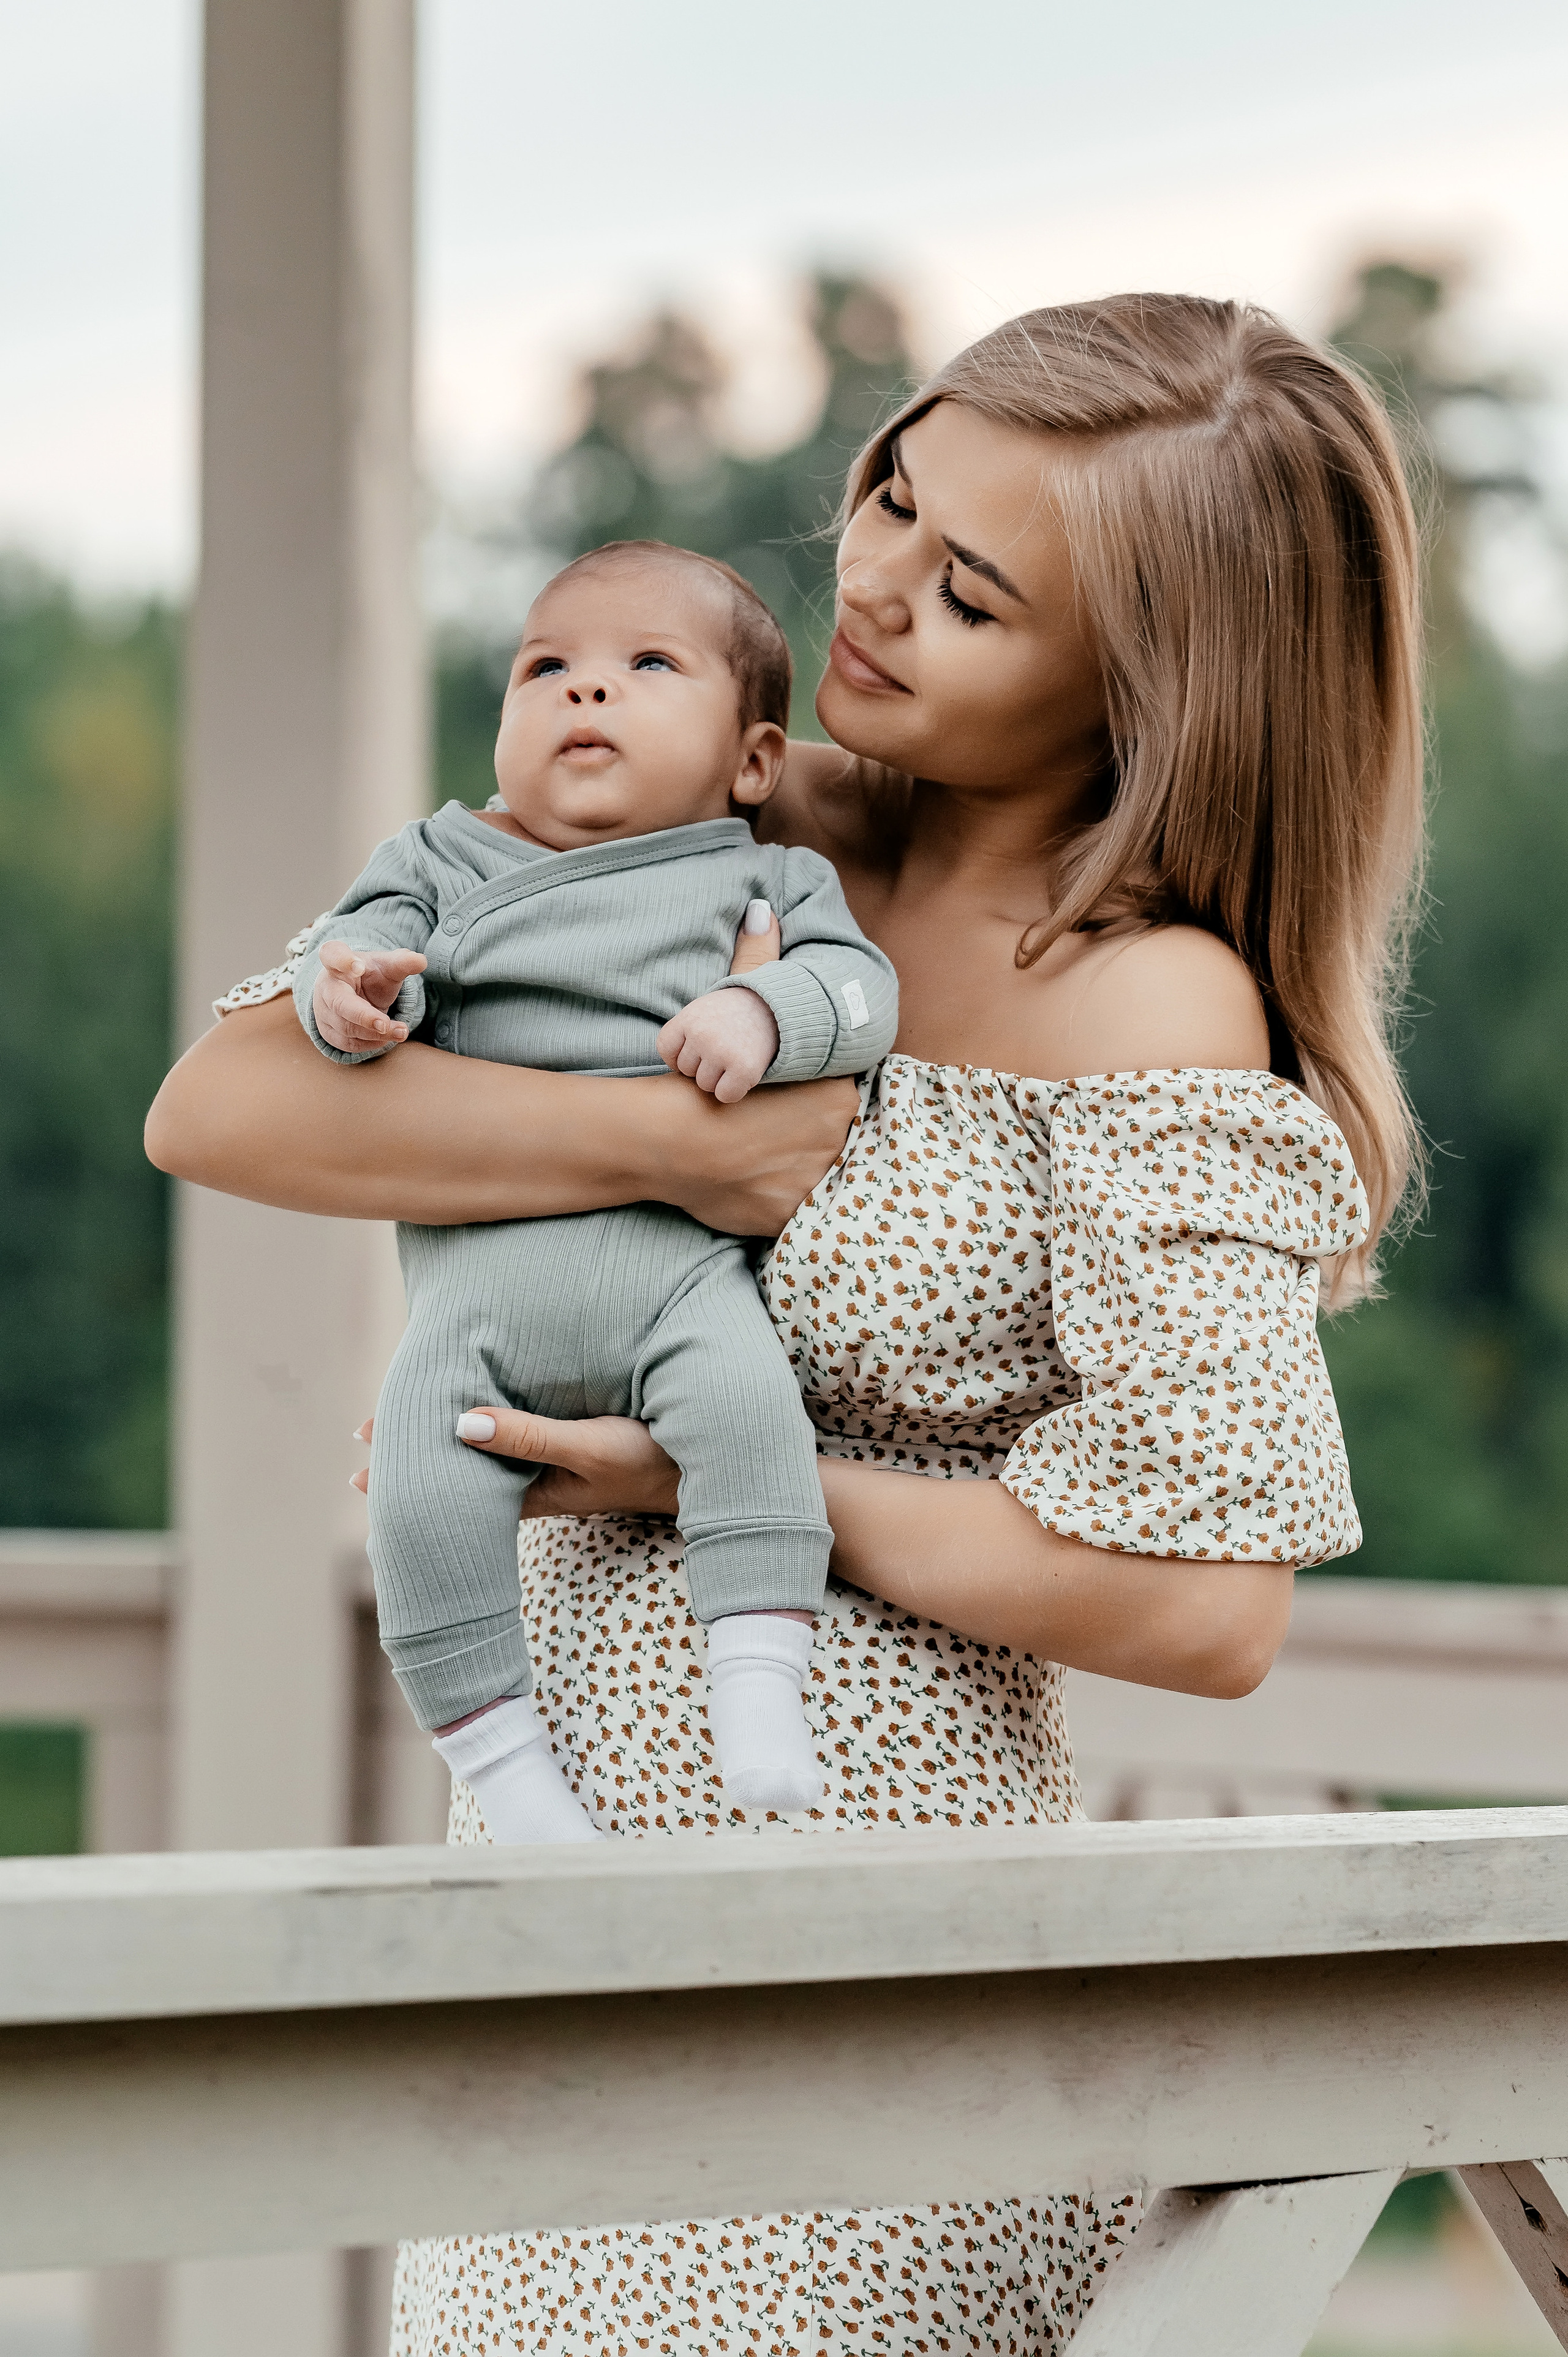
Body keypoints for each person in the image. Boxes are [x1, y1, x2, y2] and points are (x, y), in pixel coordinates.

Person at [146, 292, 1423, 2351]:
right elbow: (227, 1100)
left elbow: (1213, 1603)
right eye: (895, 496)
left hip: (861, 1954)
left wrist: (731, 1478)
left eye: (974, 592)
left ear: (1152, 685)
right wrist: (676, 1141)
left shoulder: (1144, 996)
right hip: (546, 1916)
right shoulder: (731, 814)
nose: (876, 589)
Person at [290, 541, 896, 1835]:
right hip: (470, 1309)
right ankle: (504, 1771)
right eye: (545, 668)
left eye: (646, 666)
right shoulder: (441, 861)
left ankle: (756, 1682)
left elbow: (862, 993)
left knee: (750, 1421)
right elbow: (333, 945)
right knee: (417, 1498)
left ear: (750, 761)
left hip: (675, 1281)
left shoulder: (766, 877)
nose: (584, 692)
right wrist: (343, 991)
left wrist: (763, 1005)